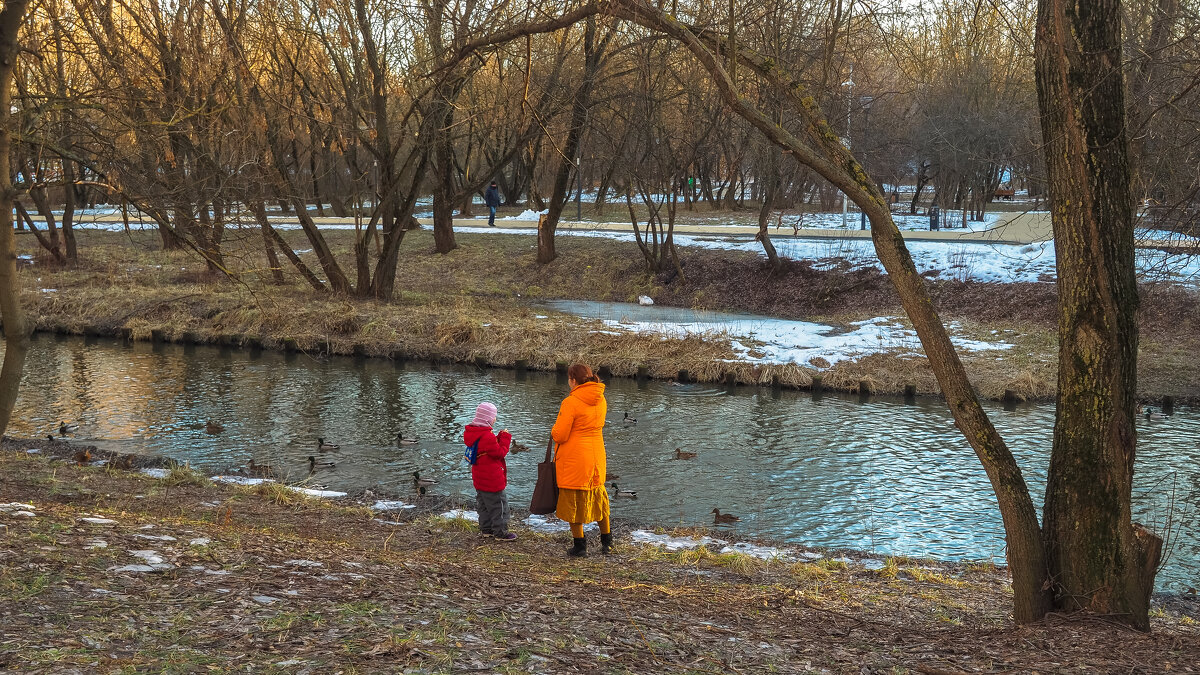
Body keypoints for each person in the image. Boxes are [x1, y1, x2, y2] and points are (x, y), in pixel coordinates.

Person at [551, 364, 612, 556]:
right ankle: (607, 542)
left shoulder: (571, 402)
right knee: (598, 497)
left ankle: (580, 545)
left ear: (573, 380)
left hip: (575, 458)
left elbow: (560, 435)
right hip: (596, 455)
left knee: (573, 501)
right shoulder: (601, 399)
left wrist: (553, 430)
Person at [464, 402, 516, 541]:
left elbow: (487, 450)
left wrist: (496, 438)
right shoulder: (487, 436)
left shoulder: (474, 433)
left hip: (479, 478)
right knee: (499, 506)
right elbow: (499, 453)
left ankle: (486, 530)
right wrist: (505, 438)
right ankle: (501, 533)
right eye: (494, 417)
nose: (495, 419)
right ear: (487, 419)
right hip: (492, 480)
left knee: (484, 505)